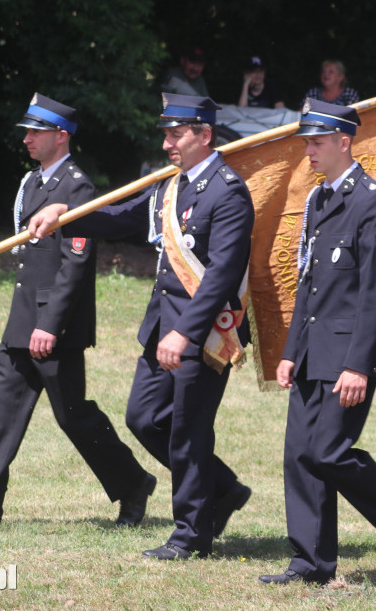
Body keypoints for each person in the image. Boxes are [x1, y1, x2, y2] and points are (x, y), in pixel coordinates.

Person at [29, 93, 255, 561]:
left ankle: (190, 535)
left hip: (202, 332)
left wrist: (186, 332)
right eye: (167, 135)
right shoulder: (171, 187)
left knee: (188, 431)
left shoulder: (228, 191)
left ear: (204, 135)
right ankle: (224, 489)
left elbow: (223, 275)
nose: (169, 143)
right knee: (144, 417)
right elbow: (118, 217)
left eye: (177, 134)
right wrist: (62, 216)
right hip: (161, 327)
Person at [0, 93, 156, 527]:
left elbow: (75, 262)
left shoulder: (76, 187)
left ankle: (132, 484)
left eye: (35, 131)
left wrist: (49, 324)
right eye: (27, 132)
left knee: (74, 417)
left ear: (61, 135)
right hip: (22, 320)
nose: (27, 139)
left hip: (55, 327)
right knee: (1, 415)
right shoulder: (34, 182)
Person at [258, 99, 376, 586]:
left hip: (349, 355)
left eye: (316, 142)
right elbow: (310, 284)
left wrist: (358, 365)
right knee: (301, 454)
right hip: (314, 351)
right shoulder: (319, 200)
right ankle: (311, 563)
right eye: (306, 142)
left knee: (329, 451)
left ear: (344, 141)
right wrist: (291, 352)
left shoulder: (372, 203)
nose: (309, 150)